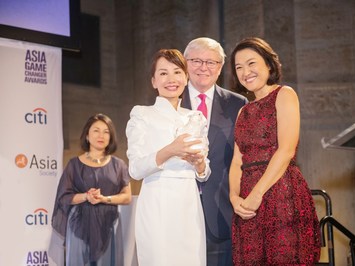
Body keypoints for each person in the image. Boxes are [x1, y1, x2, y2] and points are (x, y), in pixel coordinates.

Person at [229, 37, 321, 265]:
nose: (245, 72)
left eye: (251, 63)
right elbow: (236, 161)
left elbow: (286, 150)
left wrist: (257, 194)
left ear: (268, 65)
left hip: (281, 192)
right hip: (247, 203)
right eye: (239, 67)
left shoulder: (284, 94)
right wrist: (234, 197)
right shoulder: (243, 112)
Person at [126, 49, 211, 266]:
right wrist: (170, 150)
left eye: (177, 72)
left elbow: (204, 173)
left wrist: (200, 164)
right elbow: (135, 169)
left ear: (185, 78)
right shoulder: (142, 114)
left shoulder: (196, 117)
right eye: (163, 73)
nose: (171, 79)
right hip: (157, 202)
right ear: (154, 81)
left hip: (189, 204)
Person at [181, 37, 248, 266]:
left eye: (211, 62)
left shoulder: (238, 104)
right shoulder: (168, 100)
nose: (203, 67)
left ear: (220, 68)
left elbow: (244, 159)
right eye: (197, 60)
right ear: (185, 63)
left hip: (221, 211)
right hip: (177, 209)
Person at [50, 113, 132, 266]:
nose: (101, 135)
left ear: (110, 137)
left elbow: (126, 197)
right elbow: (64, 197)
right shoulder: (74, 164)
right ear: (87, 135)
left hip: (108, 224)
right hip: (79, 224)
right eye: (96, 130)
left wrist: (105, 199)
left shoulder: (119, 165)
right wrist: (86, 196)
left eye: (106, 131)